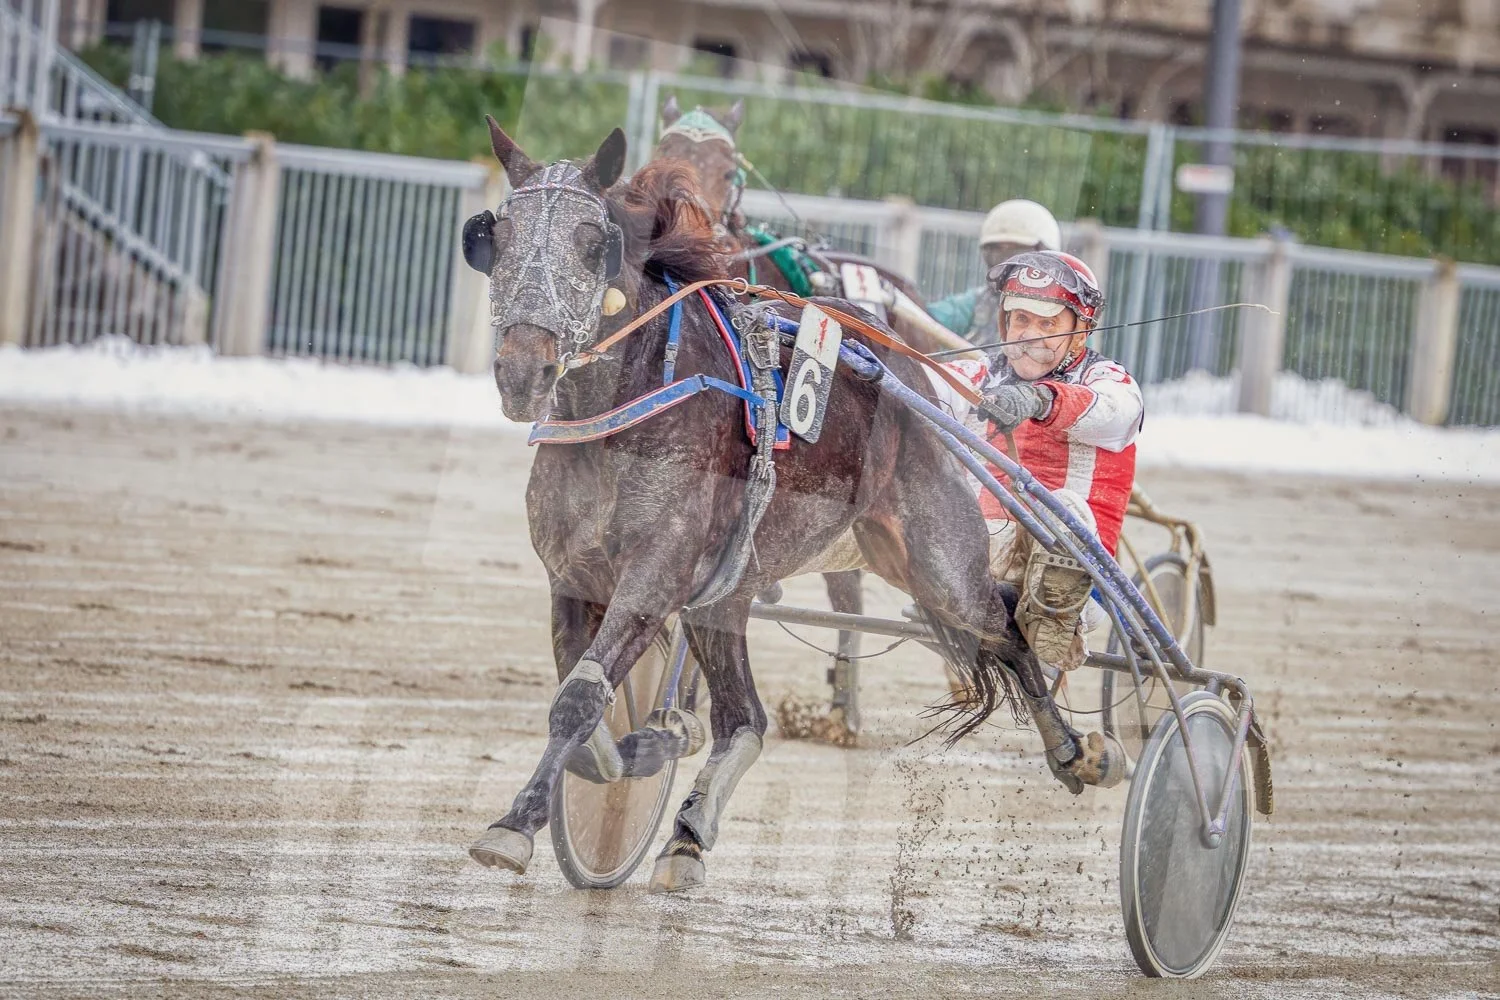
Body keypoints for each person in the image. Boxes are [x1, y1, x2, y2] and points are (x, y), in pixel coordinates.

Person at [976, 251, 1143, 670]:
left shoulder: (1108, 380)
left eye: (1047, 323)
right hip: (987, 551)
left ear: (1081, 329)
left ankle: (1051, 616)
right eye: (1020, 320)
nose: (1030, 335)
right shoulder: (984, 373)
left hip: (1081, 580)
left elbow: (1115, 412)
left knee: (1063, 508)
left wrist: (1040, 397)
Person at [926, 199, 1063, 347]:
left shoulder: (1068, 318)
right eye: (997, 251)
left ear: (1047, 256)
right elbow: (925, 320)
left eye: (1016, 251)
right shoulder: (975, 306)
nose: (1005, 261)